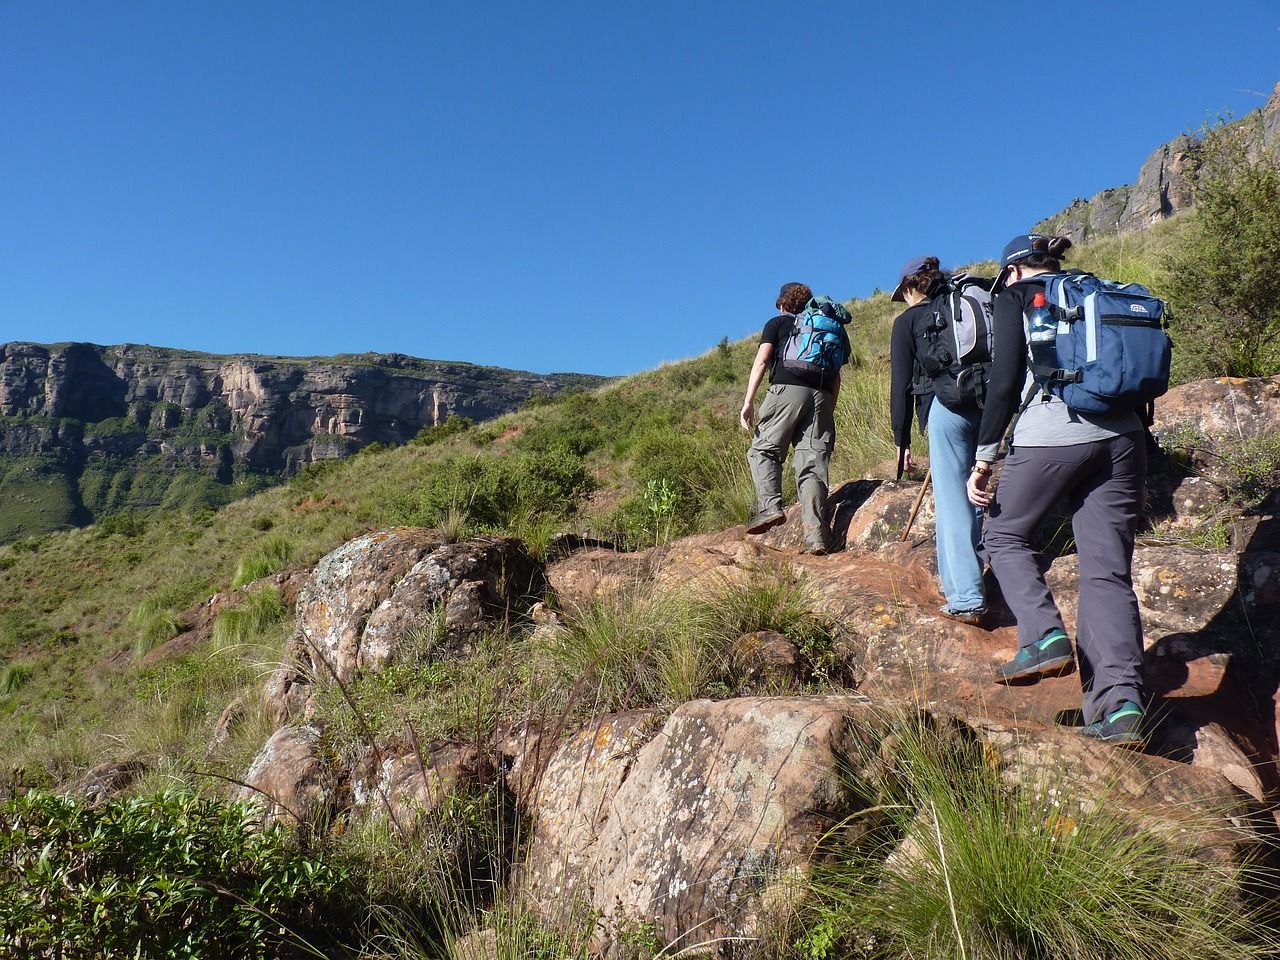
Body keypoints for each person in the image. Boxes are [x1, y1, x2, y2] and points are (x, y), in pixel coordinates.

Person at [967, 234, 1147, 744]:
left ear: (1014, 271)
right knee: (1108, 573)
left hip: (1053, 435)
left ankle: (1044, 635)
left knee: (1002, 535)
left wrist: (984, 459)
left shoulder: (1015, 297)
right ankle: (1120, 709)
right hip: (1126, 438)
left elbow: (1004, 384)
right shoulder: (1096, 291)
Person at [889, 256, 987, 625]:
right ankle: (983, 572)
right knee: (978, 489)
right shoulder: (962, 307)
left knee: (953, 502)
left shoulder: (908, 321)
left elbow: (900, 384)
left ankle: (966, 597)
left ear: (910, 287)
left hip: (946, 410)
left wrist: (902, 438)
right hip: (991, 403)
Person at [740, 282, 848, 555]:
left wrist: (749, 401)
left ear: (782, 304)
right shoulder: (829, 327)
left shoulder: (777, 323)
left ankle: (770, 506)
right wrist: (827, 413)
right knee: (812, 467)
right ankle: (816, 539)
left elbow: (763, 361)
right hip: (822, 395)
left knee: (762, 450)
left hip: (787, 389)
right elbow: (836, 377)